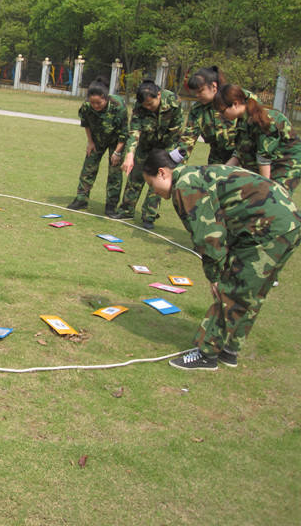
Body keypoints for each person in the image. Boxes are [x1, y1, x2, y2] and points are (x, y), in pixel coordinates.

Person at [143, 149, 301, 370]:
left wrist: (215, 276)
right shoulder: (194, 175)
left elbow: (209, 236)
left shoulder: (185, 186)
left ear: (162, 173)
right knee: (252, 293)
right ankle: (229, 350)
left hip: (267, 229)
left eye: (151, 185)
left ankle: (207, 354)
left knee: (231, 291)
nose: (154, 192)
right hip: (288, 223)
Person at [110, 80, 193, 230]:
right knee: (135, 177)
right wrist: (129, 155)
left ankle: (149, 215)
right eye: (145, 105)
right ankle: (126, 210)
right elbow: (135, 130)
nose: (148, 107)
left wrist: (170, 156)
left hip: (165, 147)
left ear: (159, 95)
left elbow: (176, 131)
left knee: (158, 181)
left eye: (150, 104)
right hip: (145, 145)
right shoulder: (139, 106)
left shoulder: (173, 102)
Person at [213, 84, 301, 195]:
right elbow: (239, 154)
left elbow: (264, 158)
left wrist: (264, 189)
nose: (220, 116)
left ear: (235, 104)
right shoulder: (242, 121)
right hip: (267, 165)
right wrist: (219, 173)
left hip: (285, 166)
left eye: (222, 111)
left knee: (272, 201)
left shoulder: (261, 120)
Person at [66, 77, 128, 216]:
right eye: (92, 102)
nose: (95, 105)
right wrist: (90, 142)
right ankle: (81, 199)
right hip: (97, 138)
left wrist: (117, 153)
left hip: (117, 140)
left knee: (114, 172)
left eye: (99, 103)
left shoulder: (118, 105)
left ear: (105, 98)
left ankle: (111, 205)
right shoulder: (86, 106)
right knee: (88, 168)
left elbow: (124, 132)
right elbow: (85, 123)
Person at [185, 66, 236, 165]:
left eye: (200, 91)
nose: (197, 95)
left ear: (213, 86)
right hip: (217, 160)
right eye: (195, 92)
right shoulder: (198, 110)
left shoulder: (236, 98)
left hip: (244, 159)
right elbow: (187, 140)